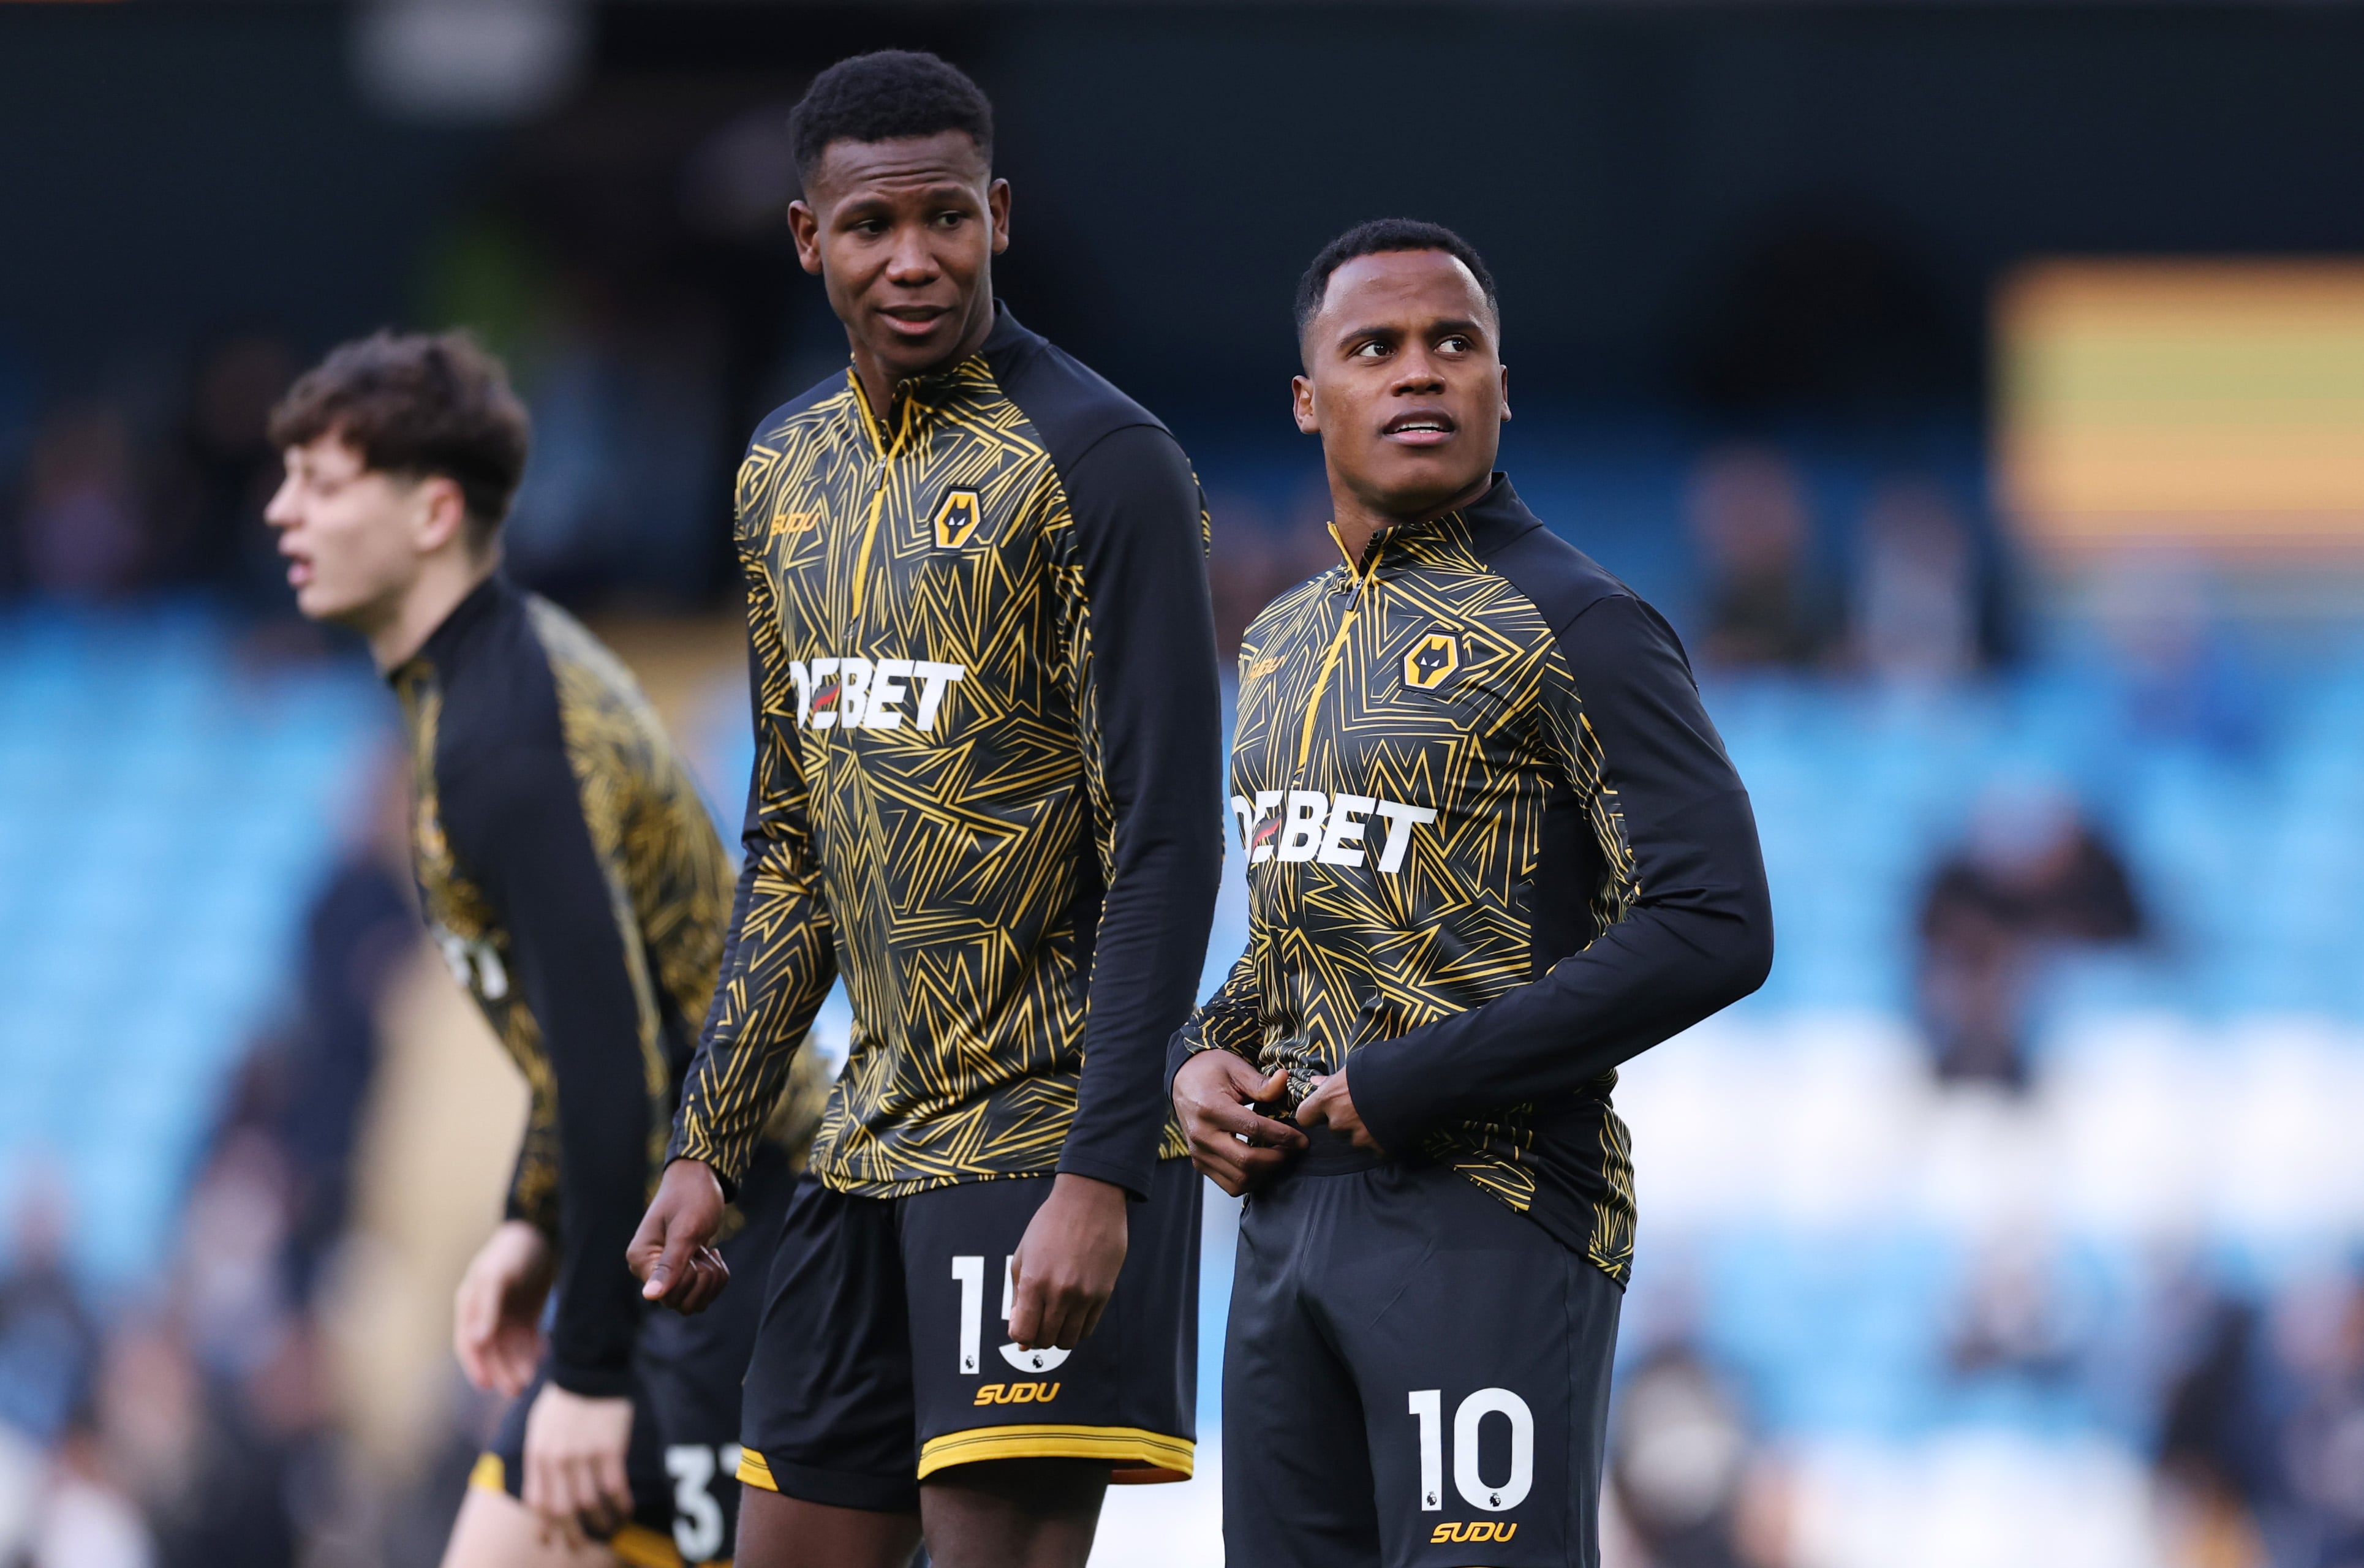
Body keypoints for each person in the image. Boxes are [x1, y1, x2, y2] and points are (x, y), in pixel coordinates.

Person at [624, 50, 1222, 1568]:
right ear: (805, 238)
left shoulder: (1107, 463)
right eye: (874, 225)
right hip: (864, 1143)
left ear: (1000, 216)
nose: (914, 258)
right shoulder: (782, 474)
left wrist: (1101, 1175)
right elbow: (792, 847)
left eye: (947, 217)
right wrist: (710, 1139)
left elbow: (1165, 838)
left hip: (1041, 1139)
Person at [1170, 220, 1773, 1568]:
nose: (1418, 373)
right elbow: (1289, 950)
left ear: (1504, 384)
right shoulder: (1277, 641)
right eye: (1373, 348)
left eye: (1454, 344)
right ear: (1308, 397)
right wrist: (1194, 1057)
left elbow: (1715, 923)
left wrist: (1416, 1077)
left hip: (1490, 1210)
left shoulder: (1583, 621)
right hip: (1283, 1224)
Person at [262, 330, 830, 1568]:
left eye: (320, 480)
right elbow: (599, 1029)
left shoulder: (503, 738)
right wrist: (531, 1221)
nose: (279, 508)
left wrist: (585, 1368)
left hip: (743, 1244)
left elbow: (616, 1055)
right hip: (683, 1237)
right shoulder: (486, 690)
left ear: (431, 512)